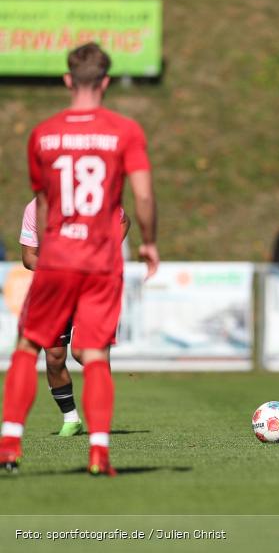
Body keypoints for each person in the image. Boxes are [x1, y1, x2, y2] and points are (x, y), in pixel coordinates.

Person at [0, 43, 159, 476]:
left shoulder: (43, 134)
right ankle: (99, 452)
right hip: (100, 262)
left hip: (59, 256)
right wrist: (149, 242)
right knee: (94, 356)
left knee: (27, 346)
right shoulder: (125, 131)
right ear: (106, 82)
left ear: (67, 81)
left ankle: (10, 443)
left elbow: (44, 201)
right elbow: (142, 194)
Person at [19, 198, 131, 438]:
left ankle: (101, 415)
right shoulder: (34, 208)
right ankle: (71, 419)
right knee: (54, 357)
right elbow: (28, 257)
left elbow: (123, 220)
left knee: (83, 352)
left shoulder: (89, 197)